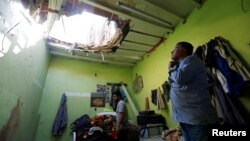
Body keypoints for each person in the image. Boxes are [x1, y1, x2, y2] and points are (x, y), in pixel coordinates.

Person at [168, 41, 219, 141]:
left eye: (175, 48)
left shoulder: (192, 60)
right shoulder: (180, 66)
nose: (172, 51)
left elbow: (179, 78)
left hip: (197, 119)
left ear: (184, 50)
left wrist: (171, 67)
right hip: (185, 118)